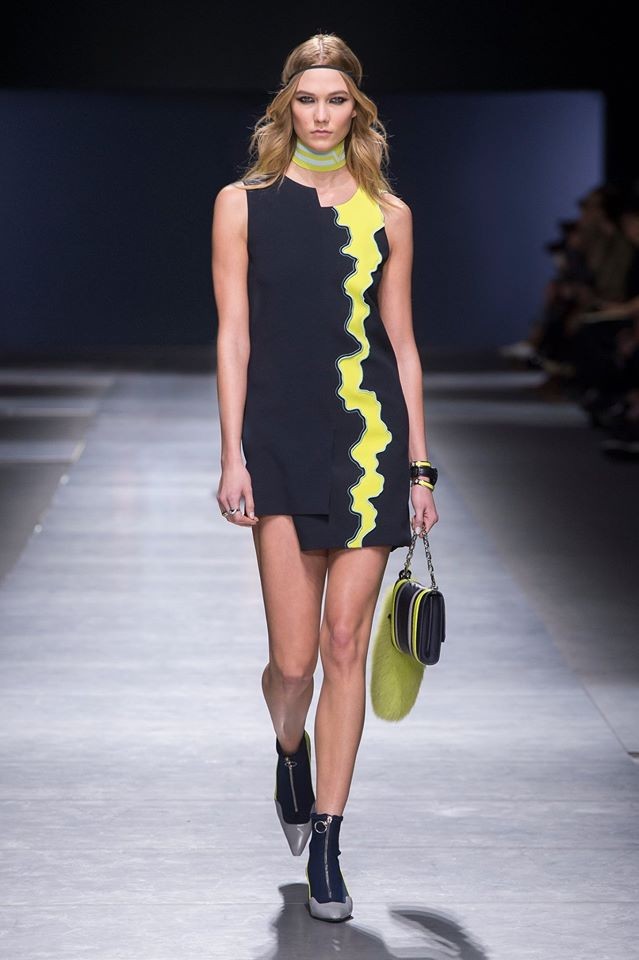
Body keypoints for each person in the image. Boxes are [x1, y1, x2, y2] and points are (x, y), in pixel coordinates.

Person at [211, 32, 438, 923]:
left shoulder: (390, 213)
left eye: (335, 100)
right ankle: (288, 747)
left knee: (345, 645)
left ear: (356, 110)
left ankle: (330, 841)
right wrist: (231, 453)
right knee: (293, 661)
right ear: (285, 108)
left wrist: (419, 468)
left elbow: (402, 344)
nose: (320, 114)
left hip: (369, 445)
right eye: (305, 100)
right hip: (276, 441)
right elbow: (233, 334)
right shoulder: (241, 204)